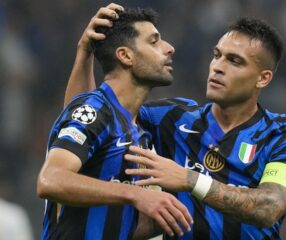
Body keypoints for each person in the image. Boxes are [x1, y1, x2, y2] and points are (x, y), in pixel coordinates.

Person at [66, 7, 286, 239]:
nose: (217, 67)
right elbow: (86, 121)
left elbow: (269, 208)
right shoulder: (173, 117)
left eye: (234, 61)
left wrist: (190, 179)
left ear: (263, 78)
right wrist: (85, 54)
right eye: (217, 55)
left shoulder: (283, 136)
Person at [36, 4, 192, 240]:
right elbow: (50, 180)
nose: (169, 48)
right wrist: (135, 195)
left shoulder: (137, 127)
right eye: (154, 41)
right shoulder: (97, 109)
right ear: (125, 55)